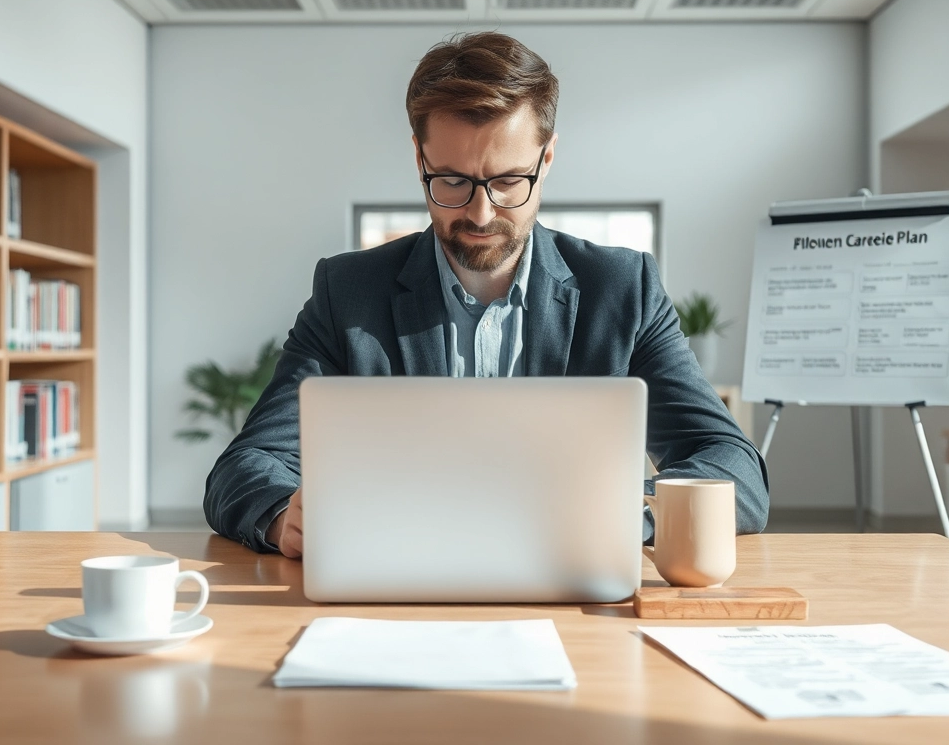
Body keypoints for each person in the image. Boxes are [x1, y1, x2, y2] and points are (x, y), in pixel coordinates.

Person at [205, 32, 768, 558]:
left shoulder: (623, 290)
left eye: (506, 181)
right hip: (397, 585)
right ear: (419, 159)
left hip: (574, 592)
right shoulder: (348, 292)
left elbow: (734, 467)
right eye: (451, 181)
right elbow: (246, 464)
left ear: (545, 160)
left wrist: (633, 511)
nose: (479, 212)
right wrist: (284, 514)